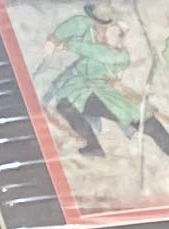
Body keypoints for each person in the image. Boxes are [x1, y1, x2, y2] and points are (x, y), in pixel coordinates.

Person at [43, 2, 142, 157]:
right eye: (100, 24)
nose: (103, 29)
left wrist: (70, 45)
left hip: (95, 79)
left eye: (107, 24)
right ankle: (105, 133)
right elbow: (68, 28)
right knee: (66, 98)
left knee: (85, 102)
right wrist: (54, 39)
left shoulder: (114, 40)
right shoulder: (82, 24)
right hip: (82, 75)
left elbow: (101, 53)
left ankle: (126, 123)